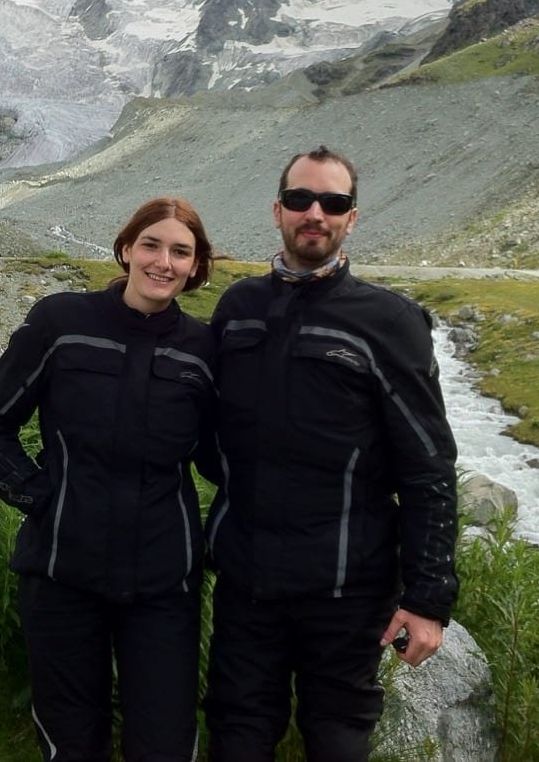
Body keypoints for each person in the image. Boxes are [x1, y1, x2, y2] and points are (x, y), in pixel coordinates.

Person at [203, 146, 459, 761]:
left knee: (338, 741)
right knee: (236, 734)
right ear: (278, 210)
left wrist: (428, 599)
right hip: (246, 582)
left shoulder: (391, 320)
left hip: (347, 589)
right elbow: (210, 433)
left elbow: (428, 465)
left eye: (333, 202)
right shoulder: (238, 309)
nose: (314, 213)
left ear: (352, 218)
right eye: (300, 199)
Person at [0, 197, 218, 762]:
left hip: (163, 580)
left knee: (165, 742)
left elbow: (221, 457)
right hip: (62, 571)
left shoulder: (203, 350)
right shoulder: (60, 323)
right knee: (71, 740)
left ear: (195, 266)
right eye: (151, 245)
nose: (163, 262)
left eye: (180, 252)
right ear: (126, 249)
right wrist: (38, 497)